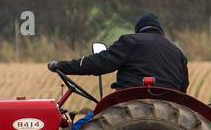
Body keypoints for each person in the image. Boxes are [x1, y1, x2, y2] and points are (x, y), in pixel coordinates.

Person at [49, 13, 189, 92]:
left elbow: (100, 63)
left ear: (138, 30)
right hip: (170, 107)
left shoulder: (131, 41)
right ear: (160, 30)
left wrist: (63, 66)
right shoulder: (178, 52)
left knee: (79, 127)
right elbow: (183, 86)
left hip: (131, 100)